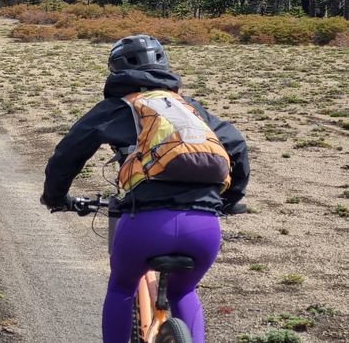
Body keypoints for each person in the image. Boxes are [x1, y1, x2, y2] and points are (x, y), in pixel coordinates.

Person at [41, 35, 249, 343]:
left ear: (114, 71)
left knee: (122, 287)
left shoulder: (117, 107)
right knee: (185, 290)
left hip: (147, 224)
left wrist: (56, 197)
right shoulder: (191, 109)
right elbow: (237, 146)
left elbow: (68, 154)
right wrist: (229, 200)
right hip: (203, 228)